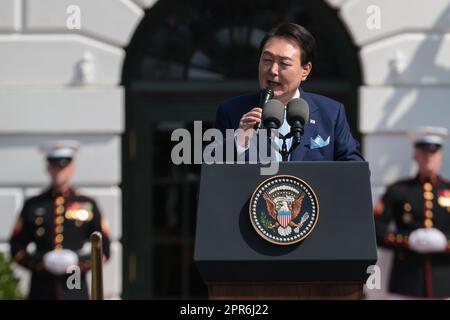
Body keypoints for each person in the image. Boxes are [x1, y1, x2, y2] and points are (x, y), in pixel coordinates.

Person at [214, 22, 363, 161]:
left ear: (305, 70)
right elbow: (212, 174)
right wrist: (239, 142)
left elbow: (355, 172)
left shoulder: (331, 113)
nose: (273, 70)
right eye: (267, 60)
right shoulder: (231, 111)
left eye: (284, 63)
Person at [9, 141, 111, 300]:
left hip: (75, 276)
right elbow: (16, 247)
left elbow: (104, 249)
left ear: (72, 169)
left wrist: (78, 261)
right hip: (42, 283)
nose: (59, 172)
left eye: (63, 167)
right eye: (55, 166)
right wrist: (41, 262)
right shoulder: (33, 204)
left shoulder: (87, 203)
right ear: (48, 168)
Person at [374, 127, 450, 299]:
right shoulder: (398, 190)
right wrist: (409, 241)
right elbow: (376, 230)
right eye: (423, 152)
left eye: (434, 152)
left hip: (445, 283)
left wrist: (444, 242)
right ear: (415, 155)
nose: (428, 157)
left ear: (441, 156)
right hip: (406, 283)